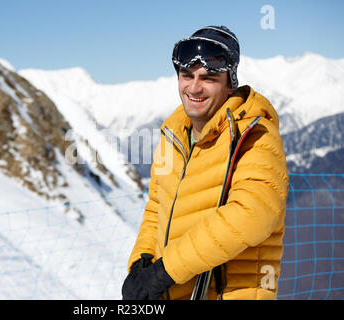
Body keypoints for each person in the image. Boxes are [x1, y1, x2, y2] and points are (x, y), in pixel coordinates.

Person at [122, 26, 289, 300]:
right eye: (186, 76)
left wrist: (165, 271)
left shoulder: (253, 134)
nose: (194, 87)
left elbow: (252, 215)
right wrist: (141, 263)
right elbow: (156, 207)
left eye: (208, 78)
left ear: (229, 83)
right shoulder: (173, 135)